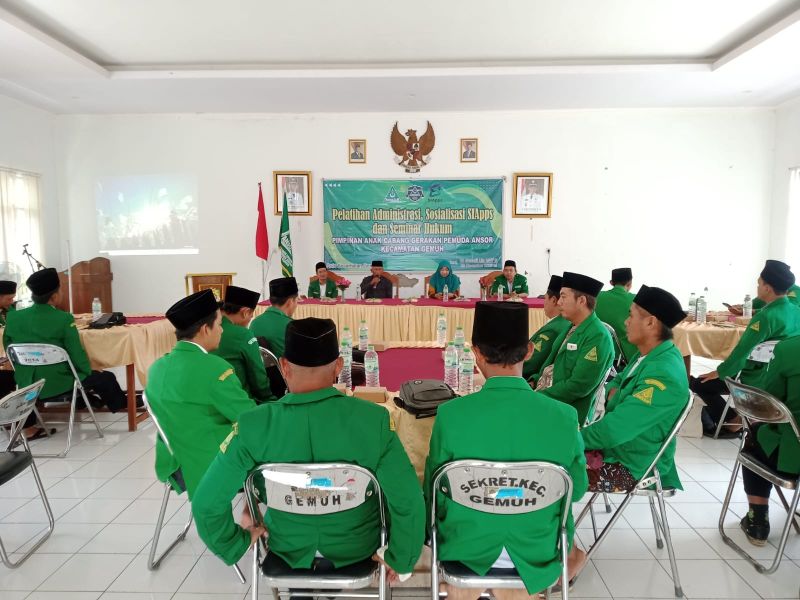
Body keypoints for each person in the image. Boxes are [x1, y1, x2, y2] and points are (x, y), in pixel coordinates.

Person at [193, 317, 425, 581]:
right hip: (358, 548)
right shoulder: (374, 421)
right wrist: (401, 557)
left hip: (286, 547)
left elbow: (206, 503)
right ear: (339, 366)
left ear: (283, 366)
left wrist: (234, 542)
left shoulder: (253, 425)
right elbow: (408, 500)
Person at [424, 301, 588, 598]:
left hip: (466, 548)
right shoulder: (564, 416)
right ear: (529, 351)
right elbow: (576, 490)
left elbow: (433, 492)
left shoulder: (451, 414)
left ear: (476, 353)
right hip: (538, 550)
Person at [146, 290, 257, 499]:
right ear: (206, 329)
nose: (222, 330)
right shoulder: (214, 369)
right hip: (209, 462)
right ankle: (252, 512)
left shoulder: (157, 367)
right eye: (219, 324)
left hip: (173, 463)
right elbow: (249, 416)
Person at [581, 285, 688, 494]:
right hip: (616, 450)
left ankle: (518, 502)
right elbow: (617, 381)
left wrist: (570, 439)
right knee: (544, 459)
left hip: (631, 467)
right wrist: (618, 394)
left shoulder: (663, 372)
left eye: (631, 315)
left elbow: (614, 430)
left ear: (650, 322)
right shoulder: (649, 355)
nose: (626, 322)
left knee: (551, 472)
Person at [3, 268, 128, 439]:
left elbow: (9, 347)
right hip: (58, 383)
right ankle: (122, 405)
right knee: (105, 377)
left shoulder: (14, 317)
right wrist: (87, 371)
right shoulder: (63, 319)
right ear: (54, 296)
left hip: (25, 383)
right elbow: (76, 353)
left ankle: (89, 401)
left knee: (94, 377)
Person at [692, 260, 800, 436]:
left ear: (767, 288)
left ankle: (733, 421)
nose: (757, 288)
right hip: (784, 376)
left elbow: (742, 352)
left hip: (757, 377)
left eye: (759, 284)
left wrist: (719, 372)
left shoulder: (765, 317)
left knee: (699, 383)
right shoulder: (796, 311)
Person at [738, 335, 800, 545]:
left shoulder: (789, 349)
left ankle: (757, 521)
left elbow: (769, 402)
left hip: (793, 458)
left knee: (755, 436)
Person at [532, 271, 614, 425]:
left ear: (581, 301)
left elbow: (578, 386)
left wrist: (538, 397)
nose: (559, 302)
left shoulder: (598, 337)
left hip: (565, 411)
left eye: (563, 297)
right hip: (546, 397)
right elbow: (552, 365)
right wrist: (534, 381)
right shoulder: (571, 326)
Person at [212, 285, 275, 404]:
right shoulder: (243, 334)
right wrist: (270, 399)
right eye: (251, 315)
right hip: (240, 401)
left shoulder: (207, 329)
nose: (250, 319)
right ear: (245, 312)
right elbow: (259, 379)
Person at [522, 275, 571, 380]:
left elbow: (530, 363)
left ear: (553, 300)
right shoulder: (566, 321)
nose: (544, 302)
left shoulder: (552, 329)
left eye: (545, 298)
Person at [249, 277, 299, 358]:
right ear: (290, 301)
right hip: (284, 366)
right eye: (297, 300)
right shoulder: (292, 326)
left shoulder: (254, 323)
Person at [595, 267, 637, 363]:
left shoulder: (596, 297)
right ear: (630, 283)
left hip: (597, 353)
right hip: (624, 359)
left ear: (611, 282)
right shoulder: (636, 300)